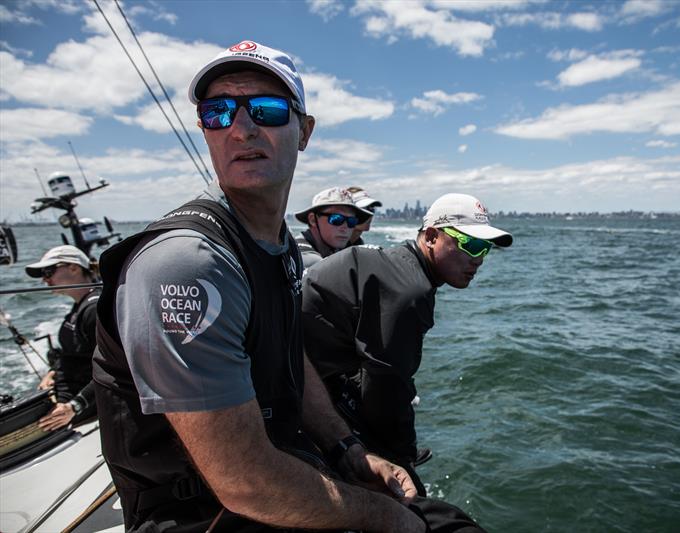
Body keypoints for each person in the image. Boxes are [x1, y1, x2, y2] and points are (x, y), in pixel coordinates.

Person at [92, 40, 484, 532]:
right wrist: (385, 518)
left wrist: (348, 449)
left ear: (305, 131)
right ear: (204, 131)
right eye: (218, 112)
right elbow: (245, 482)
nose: (241, 127)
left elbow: (285, 352)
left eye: (267, 109)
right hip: (206, 516)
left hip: (278, 474)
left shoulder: (276, 246)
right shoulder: (186, 265)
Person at [302, 193, 513, 494]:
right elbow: (385, 389)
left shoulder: (401, 266)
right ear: (431, 236)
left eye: (484, 249)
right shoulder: (409, 291)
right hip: (296, 379)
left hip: (309, 363)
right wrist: (403, 459)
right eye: (470, 244)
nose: (477, 259)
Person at [25, 245, 99, 430]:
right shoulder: (80, 307)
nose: (45, 279)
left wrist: (75, 406)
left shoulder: (94, 310)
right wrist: (53, 373)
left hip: (85, 405)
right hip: (67, 397)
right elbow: (74, 355)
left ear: (74, 267)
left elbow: (116, 368)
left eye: (48, 271)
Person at [294, 187, 372, 269]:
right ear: (313, 220)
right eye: (337, 219)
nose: (345, 228)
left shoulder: (336, 248)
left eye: (351, 221)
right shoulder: (306, 257)